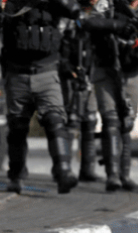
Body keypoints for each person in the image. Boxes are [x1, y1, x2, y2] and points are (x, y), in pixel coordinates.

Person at [0, 0, 82, 194]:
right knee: (17, 127)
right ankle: (16, 176)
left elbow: (75, 12)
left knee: (55, 120)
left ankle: (63, 172)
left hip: (46, 71)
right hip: (17, 74)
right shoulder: (9, 3)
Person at [78, 0, 138, 192]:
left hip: (130, 73)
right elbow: (88, 23)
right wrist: (117, 25)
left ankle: (125, 176)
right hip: (105, 70)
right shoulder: (107, 5)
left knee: (126, 123)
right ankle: (112, 177)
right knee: (111, 120)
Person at [58, 1, 103, 183]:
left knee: (90, 122)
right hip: (71, 77)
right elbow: (58, 48)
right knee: (71, 122)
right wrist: (68, 69)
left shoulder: (100, 16)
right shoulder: (68, 17)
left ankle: (87, 170)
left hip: (91, 76)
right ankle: (65, 169)